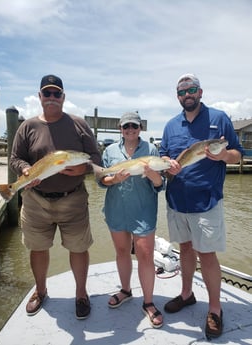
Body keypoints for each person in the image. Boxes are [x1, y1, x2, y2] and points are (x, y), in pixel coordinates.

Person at [9, 74, 101, 319]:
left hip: (73, 199)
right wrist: (25, 170)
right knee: (37, 249)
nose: (51, 98)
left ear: (63, 97)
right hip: (35, 200)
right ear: (40, 97)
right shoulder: (27, 126)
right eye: (46, 93)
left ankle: (81, 294)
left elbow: (96, 159)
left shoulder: (79, 125)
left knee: (79, 248)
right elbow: (15, 158)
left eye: (56, 93)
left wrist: (84, 168)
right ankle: (40, 291)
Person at [159, 74, 243, 339]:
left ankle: (215, 309)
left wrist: (223, 155)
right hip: (176, 201)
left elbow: (237, 154)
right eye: (182, 91)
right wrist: (165, 162)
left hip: (206, 202)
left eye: (192, 89)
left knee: (207, 255)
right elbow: (164, 155)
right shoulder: (171, 125)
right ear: (178, 96)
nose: (188, 94)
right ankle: (187, 294)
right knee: (184, 248)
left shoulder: (219, 119)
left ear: (201, 92)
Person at [98, 112, 164, 329]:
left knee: (145, 255)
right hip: (116, 209)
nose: (130, 130)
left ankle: (148, 302)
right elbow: (102, 180)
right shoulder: (109, 151)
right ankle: (125, 290)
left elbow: (160, 184)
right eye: (126, 126)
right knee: (121, 252)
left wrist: (154, 176)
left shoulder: (152, 151)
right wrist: (113, 179)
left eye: (134, 126)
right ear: (120, 128)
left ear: (140, 128)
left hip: (143, 210)